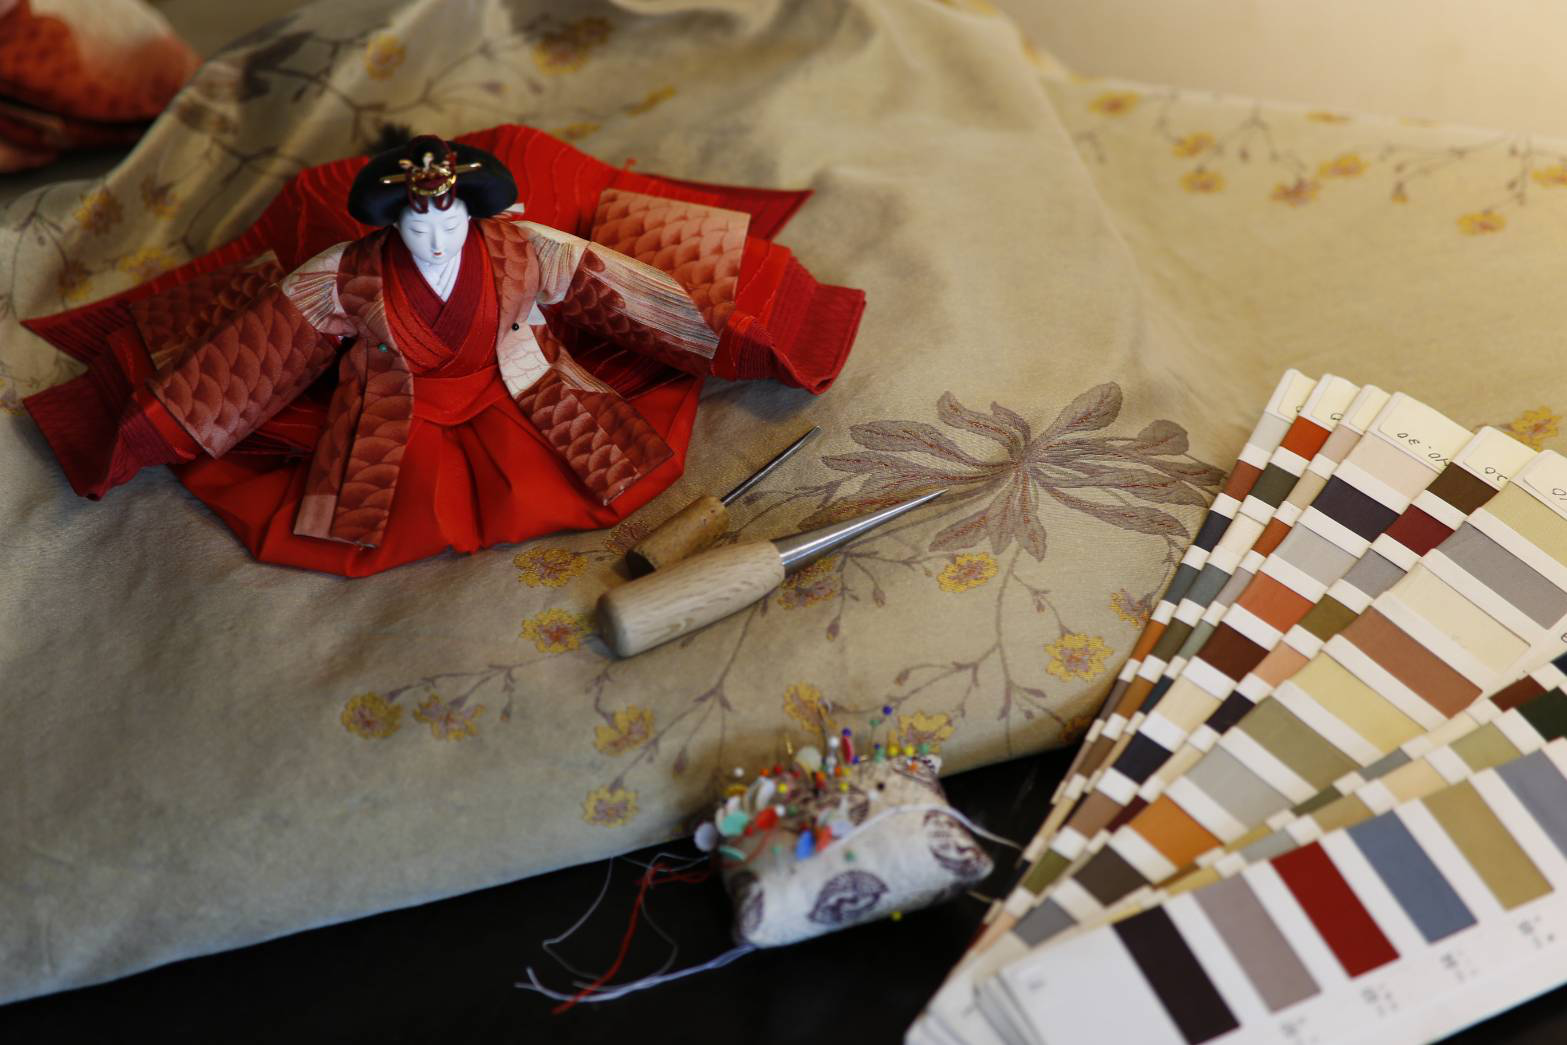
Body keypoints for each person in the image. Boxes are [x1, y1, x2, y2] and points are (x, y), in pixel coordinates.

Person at [23, 129, 864, 576]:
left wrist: (748, 337)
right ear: (391, 223)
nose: (434, 238)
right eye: (417, 224)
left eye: (449, 221)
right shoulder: (344, 272)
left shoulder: (524, 245)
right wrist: (139, 435)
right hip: (396, 407)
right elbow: (260, 352)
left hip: (524, 380)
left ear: (474, 213)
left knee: (598, 462)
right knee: (368, 515)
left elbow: (624, 291)